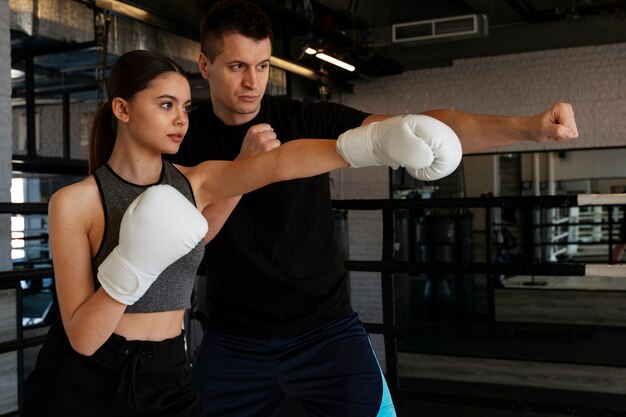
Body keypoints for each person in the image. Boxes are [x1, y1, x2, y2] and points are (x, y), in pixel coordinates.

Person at [168, 1, 579, 416]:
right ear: (205, 65)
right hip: (233, 340)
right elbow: (185, 243)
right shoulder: (185, 141)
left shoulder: (304, 120)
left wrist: (526, 127)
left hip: (323, 331)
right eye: (237, 67)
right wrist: (243, 170)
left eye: (262, 66)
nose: (253, 82)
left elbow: (420, 128)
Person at [19, 49, 462, 417]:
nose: (181, 120)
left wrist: (372, 145)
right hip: (84, 382)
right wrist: (131, 267)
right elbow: (81, 337)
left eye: (185, 108)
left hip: (168, 372)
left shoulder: (196, 181)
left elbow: (279, 163)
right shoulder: (75, 202)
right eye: (165, 105)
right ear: (122, 109)